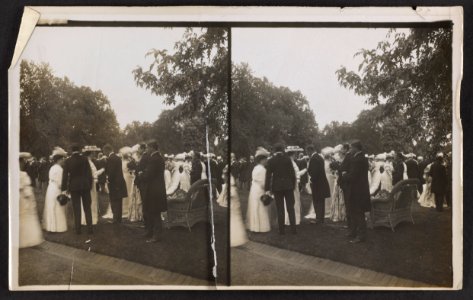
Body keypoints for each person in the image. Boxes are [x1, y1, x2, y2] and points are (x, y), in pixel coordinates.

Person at [341, 141, 371, 243]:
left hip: (357, 191)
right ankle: (354, 232)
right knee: (355, 212)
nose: (350, 150)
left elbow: (353, 176)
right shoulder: (362, 158)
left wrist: (344, 175)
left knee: (358, 213)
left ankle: (361, 236)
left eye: (351, 148)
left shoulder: (357, 160)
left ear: (356, 148)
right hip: (360, 190)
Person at [264, 143, 297, 235]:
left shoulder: (271, 160)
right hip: (288, 186)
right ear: (282, 150)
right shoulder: (287, 159)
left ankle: (281, 230)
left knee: (280, 208)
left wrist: (267, 188)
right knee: (291, 208)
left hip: (277, 187)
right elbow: (292, 174)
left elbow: (268, 175)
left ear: (275, 150)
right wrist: (293, 185)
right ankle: (293, 229)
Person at [61, 144, 93, 235]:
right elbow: (89, 174)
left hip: (74, 186)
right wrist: (89, 185)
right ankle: (90, 229)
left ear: (71, 150)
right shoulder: (84, 159)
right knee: (87, 208)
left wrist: (64, 188)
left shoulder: (68, 161)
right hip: (85, 185)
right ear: (79, 150)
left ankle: (78, 230)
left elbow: (65, 176)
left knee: (77, 208)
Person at [141, 140, 167, 242]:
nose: (146, 149)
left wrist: (140, 174)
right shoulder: (159, 158)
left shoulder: (154, 159)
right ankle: (151, 232)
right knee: (152, 212)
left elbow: (148, 175)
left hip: (153, 190)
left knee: (154, 213)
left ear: (152, 148)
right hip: (157, 189)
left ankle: (156, 235)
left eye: (147, 148)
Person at [218, 165, 248, 247]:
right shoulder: (230, 179)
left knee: (234, 218)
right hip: (233, 200)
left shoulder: (230, 181)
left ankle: (235, 239)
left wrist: (229, 194)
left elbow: (232, 191)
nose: (224, 178)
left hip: (233, 200)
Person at [19, 152, 44, 248]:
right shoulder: (22, 174)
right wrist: (31, 198)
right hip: (23, 198)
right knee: (26, 216)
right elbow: (27, 192)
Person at [42, 147, 68, 232]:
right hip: (56, 189)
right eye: (62, 159)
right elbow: (60, 183)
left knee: (51, 206)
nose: (63, 161)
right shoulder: (59, 169)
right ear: (59, 160)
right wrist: (65, 190)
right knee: (58, 206)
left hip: (50, 189)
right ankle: (58, 227)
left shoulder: (52, 168)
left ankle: (50, 226)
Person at [246, 147, 271, 233]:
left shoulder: (255, 168)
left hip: (254, 190)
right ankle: (260, 227)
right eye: (265, 159)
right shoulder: (263, 170)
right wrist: (268, 191)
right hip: (259, 190)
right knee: (261, 207)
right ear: (262, 160)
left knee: (254, 207)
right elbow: (263, 183)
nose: (266, 161)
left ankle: (254, 226)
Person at [103, 144, 128, 224]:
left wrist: (108, 179)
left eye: (104, 151)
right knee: (119, 202)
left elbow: (111, 172)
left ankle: (116, 219)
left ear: (107, 150)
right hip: (120, 182)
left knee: (114, 201)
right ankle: (118, 219)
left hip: (114, 183)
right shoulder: (117, 158)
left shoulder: (111, 159)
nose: (104, 153)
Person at [307, 145, 330, 225]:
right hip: (322, 182)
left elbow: (314, 172)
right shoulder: (319, 157)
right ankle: (321, 218)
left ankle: (318, 219)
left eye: (307, 152)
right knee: (321, 201)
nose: (307, 154)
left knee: (317, 201)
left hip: (317, 183)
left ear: (310, 151)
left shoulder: (314, 159)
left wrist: (312, 180)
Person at [81, 146, 104, 225]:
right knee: (91, 200)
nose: (94, 154)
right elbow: (93, 174)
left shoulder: (87, 161)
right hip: (91, 184)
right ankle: (91, 219)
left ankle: (87, 218)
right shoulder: (89, 162)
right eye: (93, 153)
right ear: (90, 153)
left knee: (89, 200)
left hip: (89, 183)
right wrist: (102, 170)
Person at [284, 146, 307, 225]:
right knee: (293, 201)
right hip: (293, 184)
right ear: (292, 154)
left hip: (294, 184)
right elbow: (295, 174)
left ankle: (292, 219)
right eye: (295, 154)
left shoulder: (292, 162)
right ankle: (292, 220)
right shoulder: (290, 162)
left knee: (294, 201)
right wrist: (304, 170)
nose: (296, 155)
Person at [329, 144, 347, 222]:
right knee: (336, 196)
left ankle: (343, 214)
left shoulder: (346, 159)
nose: (339, 153)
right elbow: (333, 169)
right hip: (337, 179)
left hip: (343, 179)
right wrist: (335, 170)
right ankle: (336, 214)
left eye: (340, 151)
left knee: (342, 197)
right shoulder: (337, 159)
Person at [322, 147, 336, 218]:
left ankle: (328, 208)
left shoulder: (324, 162)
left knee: (329, 192)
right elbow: (330, 171)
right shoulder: (329, 163)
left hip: (327, 177)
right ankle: (328, 209)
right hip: (329, 178)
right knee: (330, 192)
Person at [120, 147, 134, 219]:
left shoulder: (121, 162)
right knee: (128, 192)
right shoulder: (128, 163)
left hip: (123, 177)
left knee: (125, 193)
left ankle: (123, 209)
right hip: (128, 177)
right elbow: (130, 171)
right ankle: (127, 209)